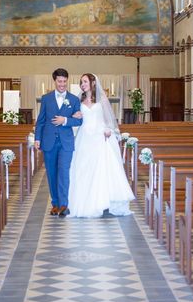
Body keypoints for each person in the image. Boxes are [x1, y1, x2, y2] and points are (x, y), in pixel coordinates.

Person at [68, 73, 135, 217]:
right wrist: (74, 116)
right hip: (84, 137)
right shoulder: (78, 100)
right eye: (81, 82)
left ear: (92, 83)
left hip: (99, 136)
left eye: (85, 81)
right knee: (82, 168)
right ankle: (83, 201)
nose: (83, 84)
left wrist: (108, 129)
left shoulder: (102, 100)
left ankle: (100, 200)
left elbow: (108, 119)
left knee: (100, 168)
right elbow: (75, 116)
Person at [34, 68, 83, 217]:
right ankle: (55, 203)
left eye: (64, 81)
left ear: (67, 81)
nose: (62, 84)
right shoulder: (46, 98)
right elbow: (41, 121)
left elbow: (79, 120)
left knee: (63, 173)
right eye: (59, 81)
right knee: (52, 173)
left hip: (66, 143)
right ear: (54, 81)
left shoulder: (74, 99)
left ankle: (64, 204)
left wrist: (65, 120)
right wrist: (37, 138)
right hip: (48, 142)